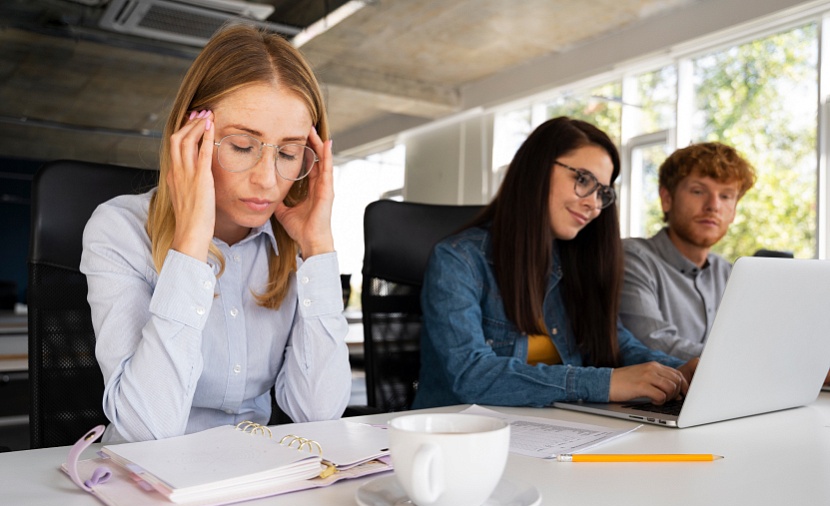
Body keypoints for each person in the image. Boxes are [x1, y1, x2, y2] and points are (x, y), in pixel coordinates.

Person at [80, 24, 352, 443]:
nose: (267, 179)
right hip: (144, 486)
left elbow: (317, 413)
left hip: (253, 475)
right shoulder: (118, 229)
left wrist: (318, 249)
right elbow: (145, 429)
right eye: (243, 146)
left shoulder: (290, 243)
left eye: (288, 152)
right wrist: (189, 246)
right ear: (192, 137)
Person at [411, 116, 697, 410]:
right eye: (582, 180)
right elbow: (471, 376)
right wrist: (606, 383)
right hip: (461, 434)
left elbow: (619, 346)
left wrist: (682, 371)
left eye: (603, 192)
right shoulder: (458, 260)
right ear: (536, 170)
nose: (594, 205)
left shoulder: (576, 261)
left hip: (550, 430)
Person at [619, 142, 755, 360]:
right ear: (666, 199)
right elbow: (653, 343)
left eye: (726, 196)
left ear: (733, 212)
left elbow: (755, 340)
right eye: (698, 191)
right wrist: (759, 360)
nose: (713, 206)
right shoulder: (631, 258)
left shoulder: (731, 274)